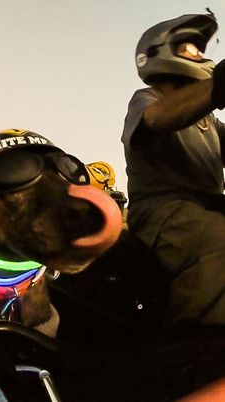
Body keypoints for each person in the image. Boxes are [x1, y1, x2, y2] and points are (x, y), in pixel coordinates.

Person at [122, 11, 225, 327]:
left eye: (199, 48)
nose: (198, 55)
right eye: (189, 48)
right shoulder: (150, 100)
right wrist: (220, 85)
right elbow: (158, 119)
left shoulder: (209, 122)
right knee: (219, 241)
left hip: (210, 207)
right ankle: (196, 350)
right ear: (157, 52)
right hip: (163, 212)